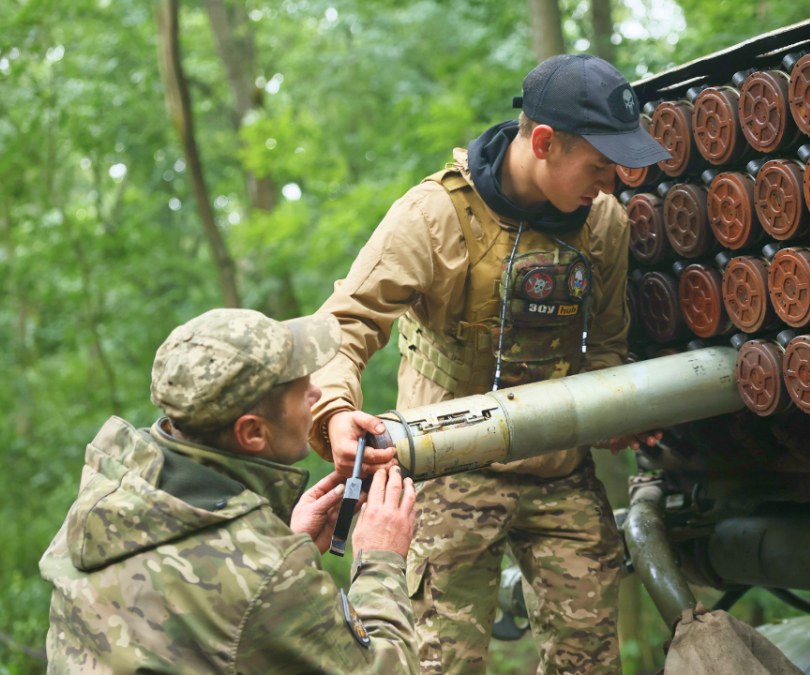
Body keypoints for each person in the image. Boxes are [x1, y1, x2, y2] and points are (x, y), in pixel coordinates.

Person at [307, 54, 670, 675]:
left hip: (558, 468)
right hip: (447, 467)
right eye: (600, 166)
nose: (610, 184)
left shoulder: (605, 224)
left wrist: (616, 412)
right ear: (546, 143)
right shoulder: (434, 217)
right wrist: (335, 411)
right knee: (435, 664)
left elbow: (608, 343)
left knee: (591, 663)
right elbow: (345, 324)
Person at [39, 308, 420, 674]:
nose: (317, 393)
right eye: (300, 388)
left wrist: (280, 538)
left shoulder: (112, 488)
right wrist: (380, 559)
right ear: (253, 432)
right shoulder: (263, 573)